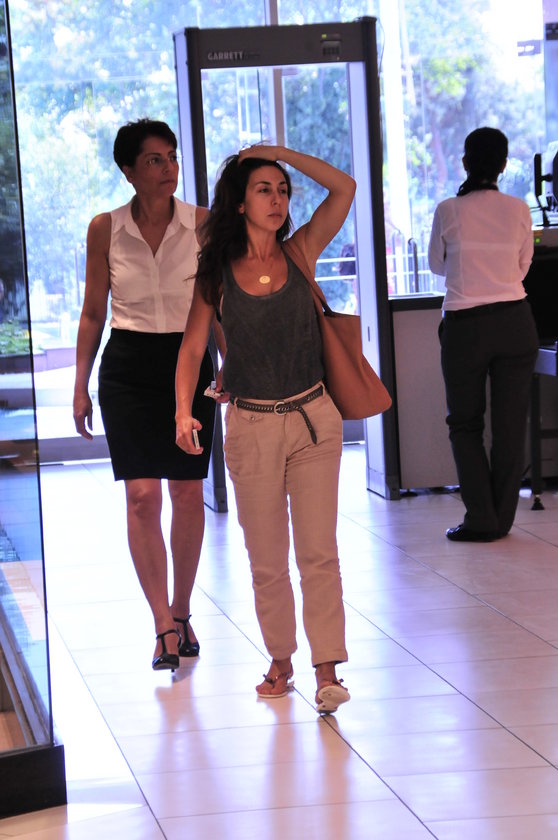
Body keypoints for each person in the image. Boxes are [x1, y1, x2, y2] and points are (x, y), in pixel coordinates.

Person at [175, 145, 356, 713]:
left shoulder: (300, 251)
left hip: (313, 419)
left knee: (319, 552)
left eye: (282, 190)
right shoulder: (217, 272)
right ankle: (281, 659)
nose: (277, 199)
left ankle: (327, 669)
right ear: (240, 202)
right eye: (263, 189)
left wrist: (277, 152)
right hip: (251, 424)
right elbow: (193, 347)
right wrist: (183, 410)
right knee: (267, 559)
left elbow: (345, 188)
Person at [73, 118, 222, 671]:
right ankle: (161, 623)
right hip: (128, 367)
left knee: (186, 491)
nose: (168, 168)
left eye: (172, 157)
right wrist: (80, 385)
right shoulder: (105, 228)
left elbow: (217, 306)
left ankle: (182, 610)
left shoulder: (202, 224)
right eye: (155, 159)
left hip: (189, 360)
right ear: (129, 170)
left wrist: (231, 364)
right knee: (141, 496)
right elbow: (93, 311)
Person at [428, 127, 539, 542]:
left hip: (466, 326)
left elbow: (437, 266)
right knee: (510, 426)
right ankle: (501, 520)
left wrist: (469, 271)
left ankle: (481, 518)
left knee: (465, 423)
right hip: (516, 322)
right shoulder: (519, 209)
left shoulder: (448, 210)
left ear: (465, 162)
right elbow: (523, 266)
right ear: (504, 165)